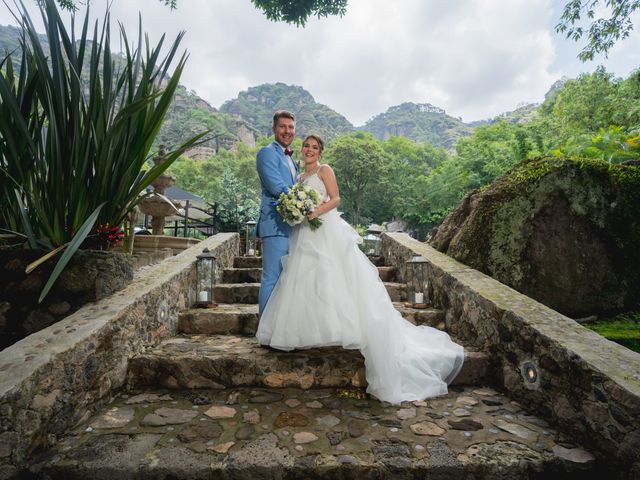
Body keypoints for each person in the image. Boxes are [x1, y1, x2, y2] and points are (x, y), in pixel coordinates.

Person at [256, 134, 465, 404]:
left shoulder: (324, 170)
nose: (309, 150)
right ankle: (314, 329)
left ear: (320, 151)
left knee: (332, 275)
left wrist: (315, 212)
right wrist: (298, 211)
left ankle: (345, 328)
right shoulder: (297, 176)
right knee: (305, 278)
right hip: (303, 233)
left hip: (322, 229)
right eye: (306, 146)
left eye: (314, 147)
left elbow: (335, 199)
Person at [255, 110, 298, 317]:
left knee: (288, 280)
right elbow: (276, 186)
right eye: (282, 126)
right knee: (272, 276)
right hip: (274, 224)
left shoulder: (292, 159)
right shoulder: (267, 153)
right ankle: (264, 329)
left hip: (294, 226)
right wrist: (306, 203)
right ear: (274, 129)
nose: (287, 131)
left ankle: (280, 328)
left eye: (290, 127)